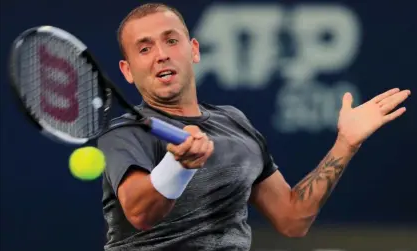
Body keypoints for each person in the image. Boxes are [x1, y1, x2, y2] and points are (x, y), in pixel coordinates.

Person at [97, 3, 411, 251]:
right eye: (144, 48)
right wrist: (178, 165)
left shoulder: (234, 122)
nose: (161, 55)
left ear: (194, 49)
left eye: (171, 40)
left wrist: (346, 143)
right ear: (127, 70)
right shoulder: (125, 133)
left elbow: (292, 220)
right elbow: (140, 215)